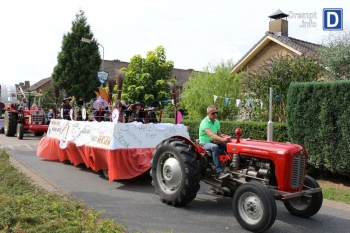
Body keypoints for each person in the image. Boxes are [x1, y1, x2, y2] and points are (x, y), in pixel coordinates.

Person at [199, 105, 231, 179]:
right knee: (215, 147)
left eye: (216, 113)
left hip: (213, 141)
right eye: (213, 113)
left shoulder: (216, 122)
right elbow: (211, 135)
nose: (215, 114)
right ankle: (219, 171)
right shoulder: (204, 122)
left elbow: (219, 134)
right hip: (205, 143)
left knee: (228, 146)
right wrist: (222, 139)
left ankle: (231, 166)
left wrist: (222, 139)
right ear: (208, 114)